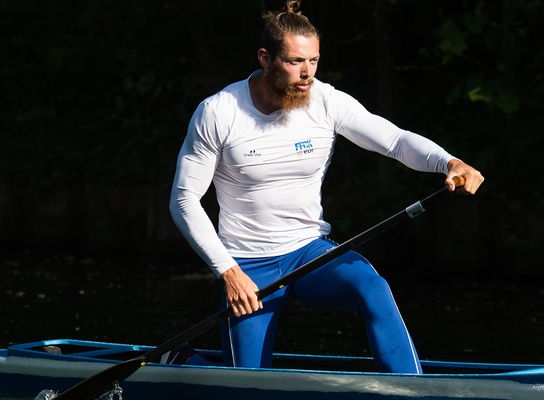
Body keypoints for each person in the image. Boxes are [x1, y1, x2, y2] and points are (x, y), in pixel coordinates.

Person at [169, 0, 484, 373]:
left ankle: (410, 391)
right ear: (265, 58)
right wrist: (229, 272)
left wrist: (448, 162)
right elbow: (184, 200)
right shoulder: (219, 112)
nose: (307, 74)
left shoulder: (324, 100)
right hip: (247, 263)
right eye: (295, 62)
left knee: (372, 288)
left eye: (314, 61)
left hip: (309, 252)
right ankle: (185, 361)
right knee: (250, 382)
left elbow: (394, 141)